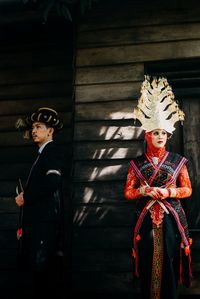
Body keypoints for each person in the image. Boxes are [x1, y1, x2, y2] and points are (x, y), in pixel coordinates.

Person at [124, 76, 193, 299]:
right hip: (145, 219)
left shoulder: (177, 161)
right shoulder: (136, 164)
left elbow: (188, 190)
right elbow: (128, 192)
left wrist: (168, 192)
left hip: (171, 218)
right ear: (148, 135)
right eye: (156, 133)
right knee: (146, 259)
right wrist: (143, 191)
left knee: (170, 259)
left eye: (163, 133)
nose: (160, 136)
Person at [15, 107, 65, 298]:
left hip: (45, 224)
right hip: (37, 224)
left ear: (50, 130)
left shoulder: (52, 152)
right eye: (33, 127)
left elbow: (52, 181)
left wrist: (26, 197)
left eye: (39, 126)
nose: (34, 131)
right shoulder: (42, 154)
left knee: (44, 274)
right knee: (37, 274)